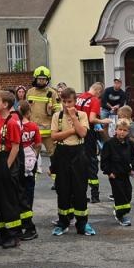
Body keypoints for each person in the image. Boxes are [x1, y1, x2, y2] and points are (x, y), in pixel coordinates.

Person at [49, 86, 91, 236]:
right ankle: (63, 222)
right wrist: (72, 131)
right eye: (64, 102)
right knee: (63, 189)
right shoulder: (56, 116)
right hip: (62, 154)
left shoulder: (82, 115)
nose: (67, 105)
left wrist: (74, 118)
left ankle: (82, 224)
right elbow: (54, 137)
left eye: (70, 102)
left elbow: (83, 133)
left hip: (78, 154)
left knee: (80, 189)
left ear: (75, 101)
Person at [0, 90, 24, 249]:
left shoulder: (12, 122)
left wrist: (7, 167)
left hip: (7, 161)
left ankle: (14, 234)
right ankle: (3, 232)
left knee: (9, 200)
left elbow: (16, 147)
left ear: (5, 105)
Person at [100, 118, 134, 227]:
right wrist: (108, 172)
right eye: (120, 129)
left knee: (128, 194)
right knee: (120, 195)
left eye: (125, 130)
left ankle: (119, 210)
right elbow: (104, 160)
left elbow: (133, 157)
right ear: (115, 130)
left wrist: (132, 167)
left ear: (128, 132)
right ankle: (121, 215)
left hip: (125, 174)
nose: (122, 132)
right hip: (114, 175)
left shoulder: (130, 143)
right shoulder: (109, 144)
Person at [18, 103, 42, 239]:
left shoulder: (15, 125)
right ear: (28, 113)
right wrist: (35, 157)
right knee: (28, 192)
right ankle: (27, 219)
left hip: (18, 161)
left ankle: (23, 223)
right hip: (30, 160)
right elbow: (38, 144)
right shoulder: (33, 126)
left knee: (18, 192)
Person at [78, 83, 104, 204]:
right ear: (98, 91)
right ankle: (95, 195)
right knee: (92, 162)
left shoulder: (79, 97)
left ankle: (81, 194)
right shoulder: (95, 100)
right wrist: (104, 120)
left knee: (80, 164)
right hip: (89, 134)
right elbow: (92, 119)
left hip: (77, 133)